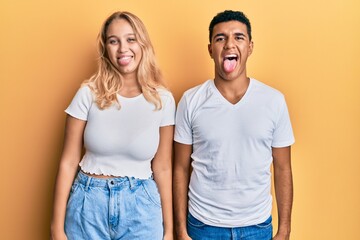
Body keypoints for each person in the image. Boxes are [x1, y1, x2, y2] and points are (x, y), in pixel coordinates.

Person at [50, 11, 175, 240]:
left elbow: (164, 167)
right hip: (88, 205)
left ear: (143, 44)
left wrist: (169, 230)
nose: (122, 49)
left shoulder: (163, 100)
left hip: (141, 208)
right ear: (105, 48)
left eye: (130, 39)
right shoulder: (88, 93)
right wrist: (57, 230)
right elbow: (68, 161)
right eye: (113, 41)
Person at [173, 10, 295, 240]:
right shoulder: (191, 100)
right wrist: (181, 230)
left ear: (250, 46)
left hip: (257, 226)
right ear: (210, 49)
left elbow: (282, 168)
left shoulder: (273, 100)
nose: (230, 44)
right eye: (220, 38)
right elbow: (179, 168)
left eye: (238, 37)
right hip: (202, 226)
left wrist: (285, 229)